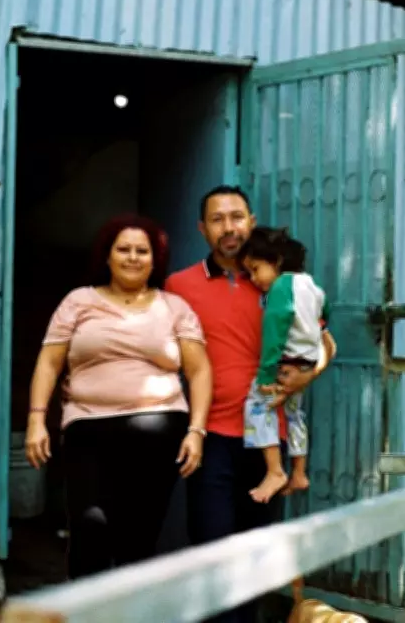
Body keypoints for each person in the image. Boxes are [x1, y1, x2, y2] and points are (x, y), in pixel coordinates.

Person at [165, 186, 336, 623]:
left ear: (252, 221)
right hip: (211, 436)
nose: (229, 228)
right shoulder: (179, 286)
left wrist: (306, 375)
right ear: (202, 229)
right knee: (211, 554)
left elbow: (325, 344)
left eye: (237, 217)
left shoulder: (280, 281)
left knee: (257, 560)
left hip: (268, 441)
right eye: (218, 219)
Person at [24, 214, 212, 579]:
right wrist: (35, 419)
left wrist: (197, 431)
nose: (132, 257)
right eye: (123, 249)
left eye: (142, 251)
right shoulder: (79, 302)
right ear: (107, 256)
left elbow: (199, 370)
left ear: (154, 260)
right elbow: (49, 362)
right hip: (87, 429)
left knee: (138, 537)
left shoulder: (174, 308)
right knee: (89, 526)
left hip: (158, 430)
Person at [236, 226, 331, 503]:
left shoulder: (281, 287)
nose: (254, 279)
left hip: (285, 361)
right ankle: (299, 472)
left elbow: (275, 332)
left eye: (255, 269)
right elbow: (325, 314)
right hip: (305, 362)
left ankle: (275, 470)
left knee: (256, 405)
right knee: (293, 414)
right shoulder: (312, 285)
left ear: (275, 261)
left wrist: (266, 372)